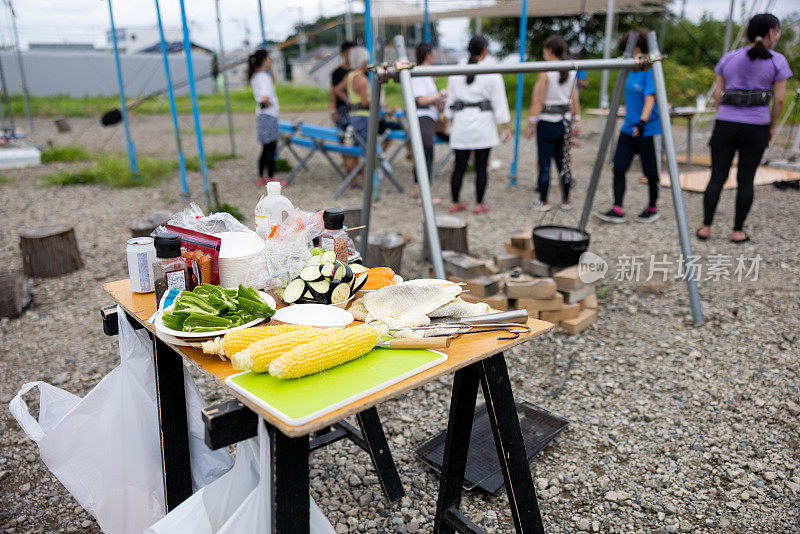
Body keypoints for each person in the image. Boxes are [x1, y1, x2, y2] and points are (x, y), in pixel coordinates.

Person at [696, 13, 791, 243]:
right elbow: (779, 100)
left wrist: (724, 114)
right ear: (771, 32)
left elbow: (718, 94)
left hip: (725, 124)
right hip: (756, 127)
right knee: (746, 179)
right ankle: (737, 231)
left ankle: (705, 228)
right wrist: (771, 126)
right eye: (777, 30)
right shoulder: (777, 61)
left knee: (717, 177)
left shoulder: (729, 58)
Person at [596, 30, 662, 224]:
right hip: (627, 127)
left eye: (630, 49)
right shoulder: (627, 70)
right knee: (619, 167)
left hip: (647, 128)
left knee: (650, 171)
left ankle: (652, 207)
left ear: (640, 48)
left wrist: (642, 123)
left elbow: (650, 97)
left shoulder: (650, 70)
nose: (628, 53)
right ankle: (618, 208)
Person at [443, 35, 511, 214]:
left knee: (459, 165)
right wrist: (505, 126)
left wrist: (448, 121)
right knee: (481, 166)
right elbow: (499, 101)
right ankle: (479, 204)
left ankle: (455, 202)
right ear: (485, 50)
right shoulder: (491, 72)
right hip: (483, 123)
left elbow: (450, 99)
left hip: (461, 122)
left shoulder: (457, 70)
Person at [526, 35, 581, 211]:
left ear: (549, 51)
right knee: (563, 162)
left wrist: (530, 123)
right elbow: (575, 100)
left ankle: (544, 201)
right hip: (564, 122)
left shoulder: (546, 71)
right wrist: (577, 121)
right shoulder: (571, 70)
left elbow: (538, 101)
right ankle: (566, 200)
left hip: (547, 123)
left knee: (544, 163)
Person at [410, 42, 445, 201]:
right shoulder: (420, 73)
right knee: (426, 155)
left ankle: (418, 190)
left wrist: (438, 101)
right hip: (422, 117)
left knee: (422, 154)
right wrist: (440, 95)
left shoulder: (425, 73)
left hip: (427, 117)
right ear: (429, 54)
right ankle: (423, 195)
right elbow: (421, 99)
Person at [248, 49, 280, 186]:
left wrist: (270, 67)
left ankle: (261, 177)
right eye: (269, 58)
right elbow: (265, 97)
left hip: (263, 116)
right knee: (271, 148)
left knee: (265, 147)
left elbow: (273, 81)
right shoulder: (263, 78)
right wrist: (269, 102)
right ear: (264, 59)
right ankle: (271, 179)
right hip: (269, 116)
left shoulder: (257, 75)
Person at [330, 41, 354, 131]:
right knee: (343, 136)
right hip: (342, 109)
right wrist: (333, 110)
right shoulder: (337, 72)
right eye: (350, 53)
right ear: (343, 53)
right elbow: (333, 92)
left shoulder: (358, 71)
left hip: (355, 110)